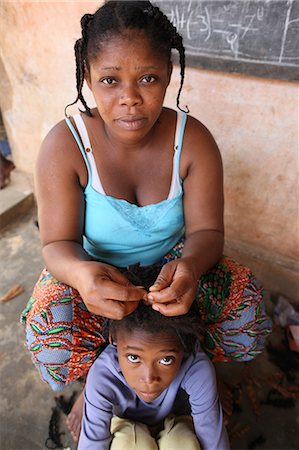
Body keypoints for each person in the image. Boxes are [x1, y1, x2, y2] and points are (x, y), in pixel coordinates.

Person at [21, 0, 272, 442]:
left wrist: (191, 268)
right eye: (110, 80)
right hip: (97, 269)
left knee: (245, 304)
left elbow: (208, 233)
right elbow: (56, 244)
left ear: (169, 75)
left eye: (149, 78)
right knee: (50, 323)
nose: (129, 98)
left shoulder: (192, 141)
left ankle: (199, 377)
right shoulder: (65, 145)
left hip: (172, 270)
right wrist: (82, 276)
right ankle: (97, 383)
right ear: (88, 79)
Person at [78, 302, 230, 450]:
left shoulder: (196, 368)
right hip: (126, 424)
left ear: (184, 346)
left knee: (182, 445)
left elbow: (212, 441)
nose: (149, 378)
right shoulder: (102, 375)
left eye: (166, 360)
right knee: (132, 446)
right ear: (114, 340)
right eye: (133, 358)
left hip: (179, 420)